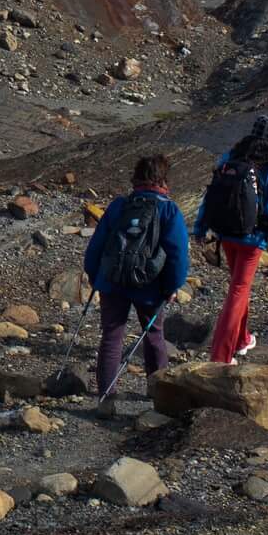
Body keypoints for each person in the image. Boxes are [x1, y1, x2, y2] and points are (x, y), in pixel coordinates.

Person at [83, 155, 191, 413]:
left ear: (136, 177)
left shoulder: (120, 206)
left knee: (111, 336)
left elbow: (96, 245)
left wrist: (95, 276)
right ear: (163, 179)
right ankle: (160, 395)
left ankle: (106, 400)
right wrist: (172, 287)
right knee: (154, 336)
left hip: (113, 281)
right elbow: (177, 254)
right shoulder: (168, 210)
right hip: (150, 286)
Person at [201, 116, 268, 362]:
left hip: (226, 233)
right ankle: (220, 357)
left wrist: (200, 228)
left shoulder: (229, 158)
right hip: (252, 239)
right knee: (238, 290)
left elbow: (210, 195)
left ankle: (242, 339)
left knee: (238, 287)